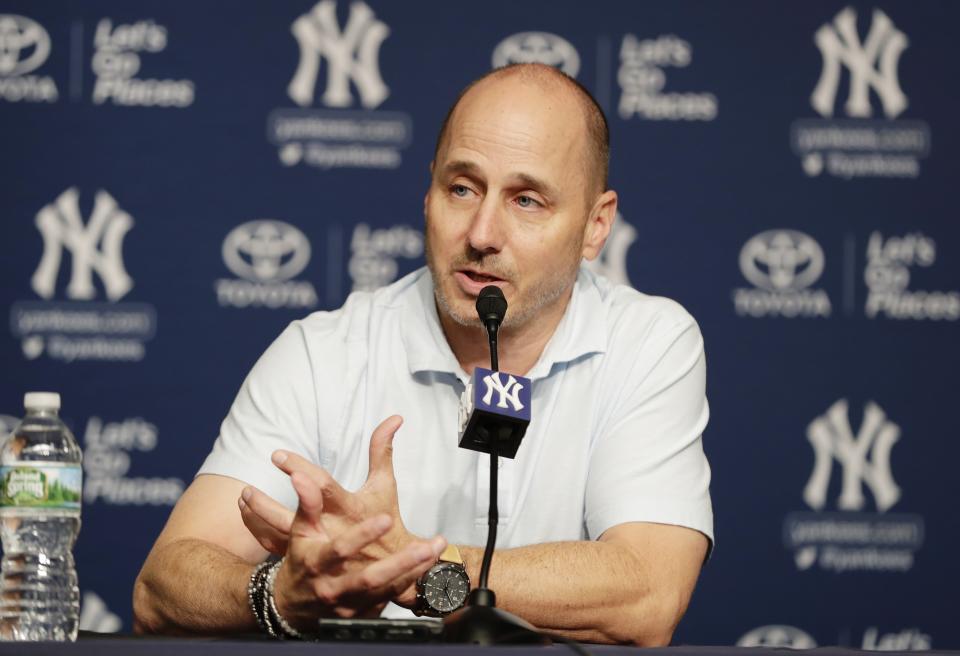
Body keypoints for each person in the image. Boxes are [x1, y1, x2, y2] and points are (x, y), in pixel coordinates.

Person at [133, 63, 712, 646]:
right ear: (429, 190)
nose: (482, 232)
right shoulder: (324, 352)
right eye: (462, 188)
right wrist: (281, 593)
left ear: (595, 226)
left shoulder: (648, 342)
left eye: (527, 200)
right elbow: (162, 586)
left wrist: (415, 568)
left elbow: (648, 590)